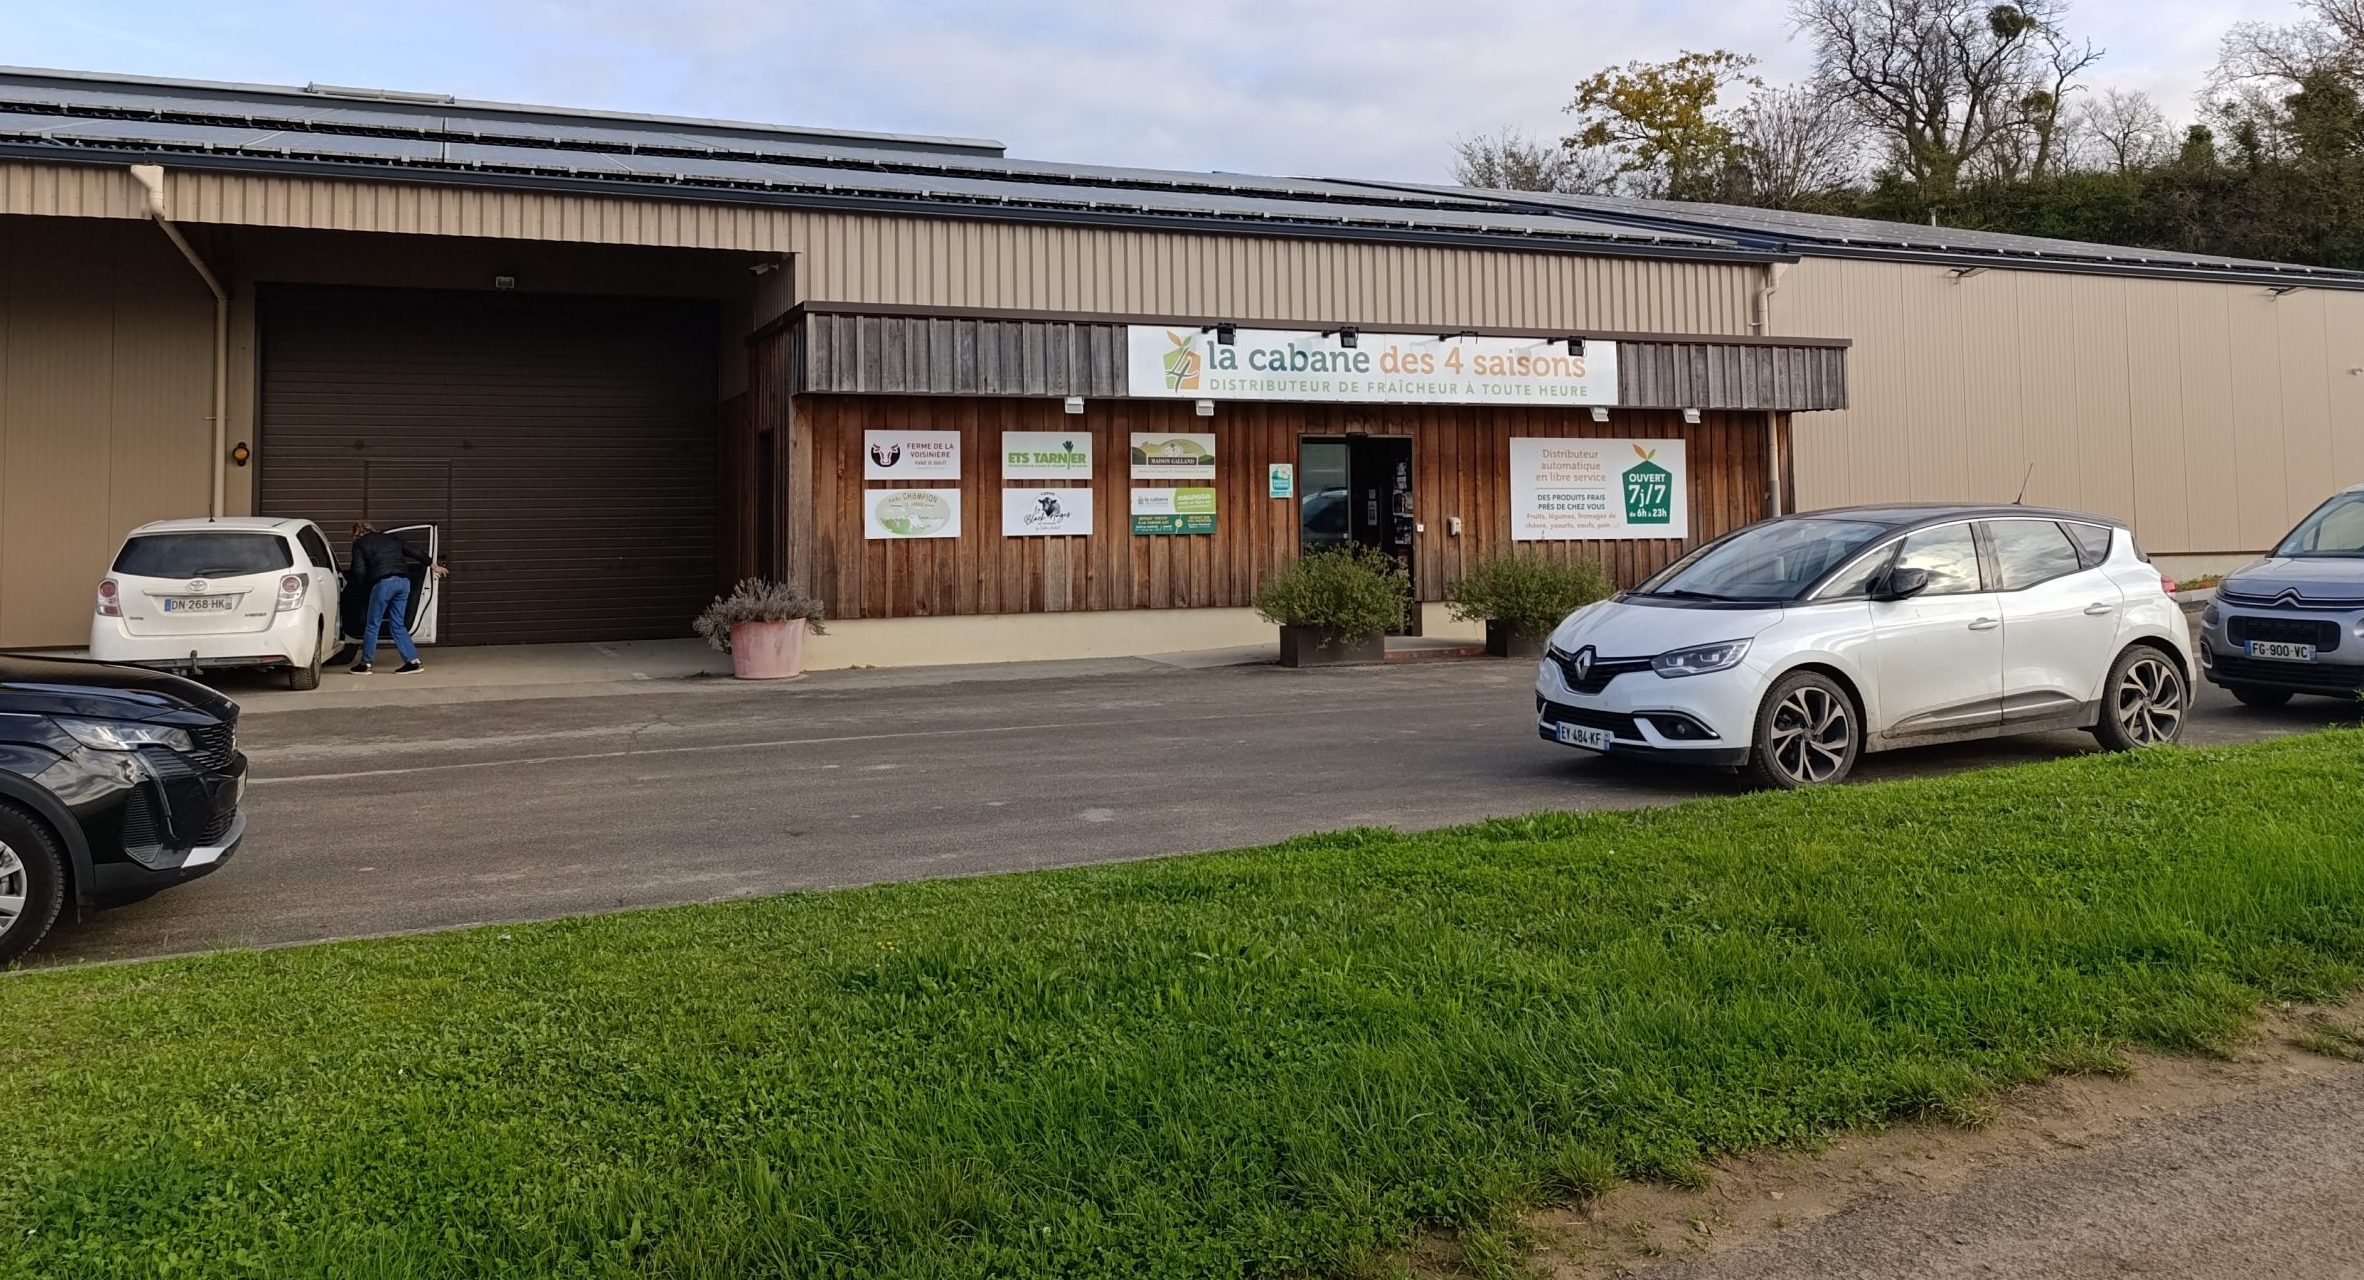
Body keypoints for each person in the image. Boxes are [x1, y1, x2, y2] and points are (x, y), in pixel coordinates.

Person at [347, 521, 445, 674]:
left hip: (383, 583)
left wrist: (364, 591)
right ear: (372, 529)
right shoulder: (392, 538)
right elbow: (415, 552)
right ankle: (413, 661)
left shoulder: (360, 544)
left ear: (355, 534)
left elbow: (359, 570)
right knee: (398, 624)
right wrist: (434, 566)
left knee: (373, 624)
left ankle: (365, 664)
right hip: (404, 582)